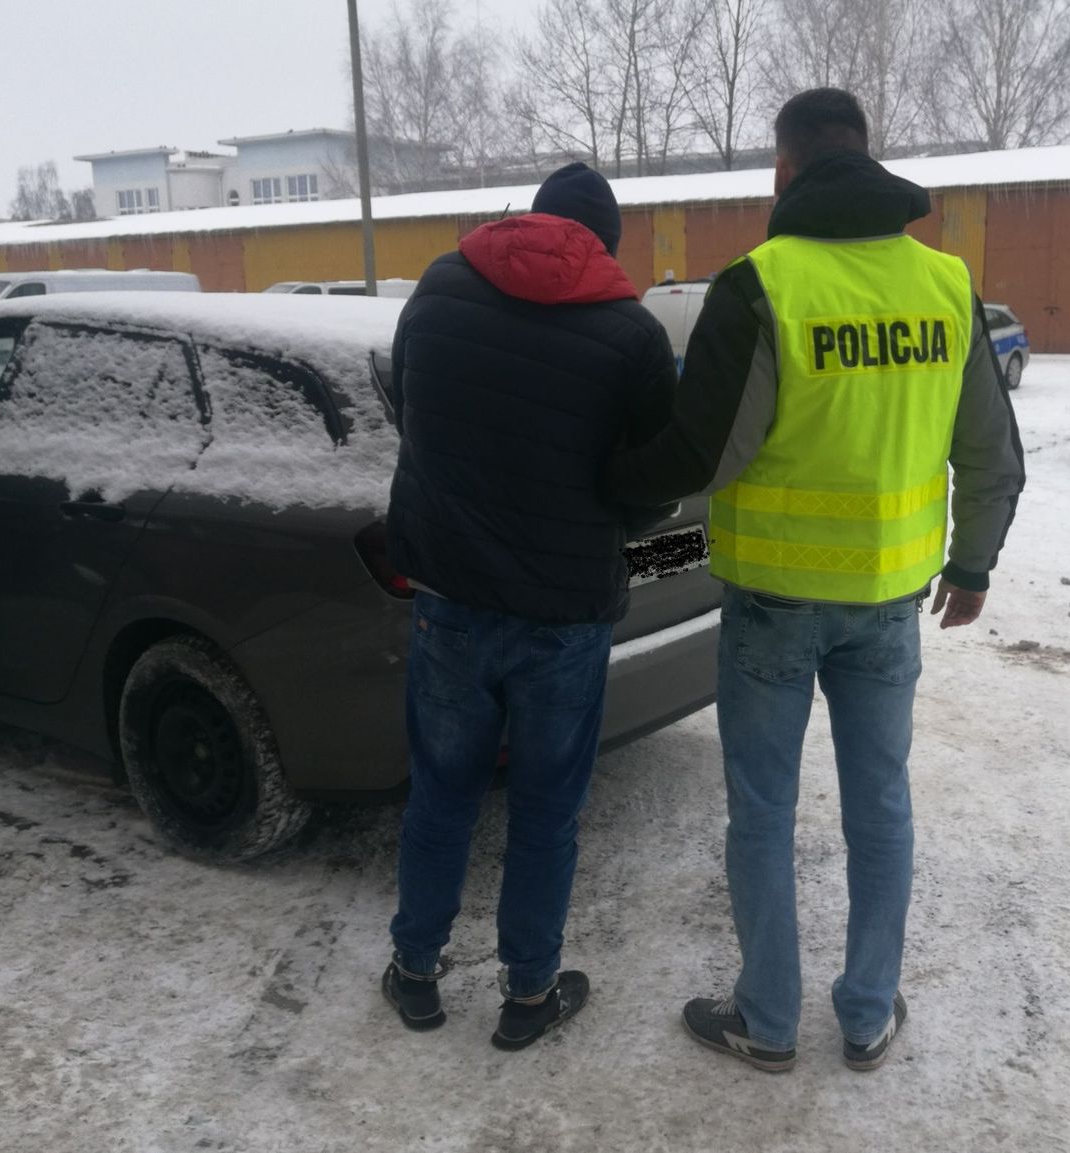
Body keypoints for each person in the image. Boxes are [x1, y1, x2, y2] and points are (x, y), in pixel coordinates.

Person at [605, 88, 1025, 1072]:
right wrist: (971, 565)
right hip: (891, 608)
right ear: (865, 156)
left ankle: (769, 1019)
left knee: (762, 809)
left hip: (773, 608)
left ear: (784, 170)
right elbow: (993, 456)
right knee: (881, 804)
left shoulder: (763, 283)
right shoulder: (945, 284)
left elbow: (701, 455)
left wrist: (604, 482)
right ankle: (870, 1011)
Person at [382, 163, 677, 1050]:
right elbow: (651, 486)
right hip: (565, 614)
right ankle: (528, 993)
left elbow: (410, 411)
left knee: (441, 794)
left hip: (451, 602)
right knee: (547, 808)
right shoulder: (632, 335)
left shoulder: (435, 294)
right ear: (605, 245)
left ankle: (417, 974)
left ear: (531, 220)